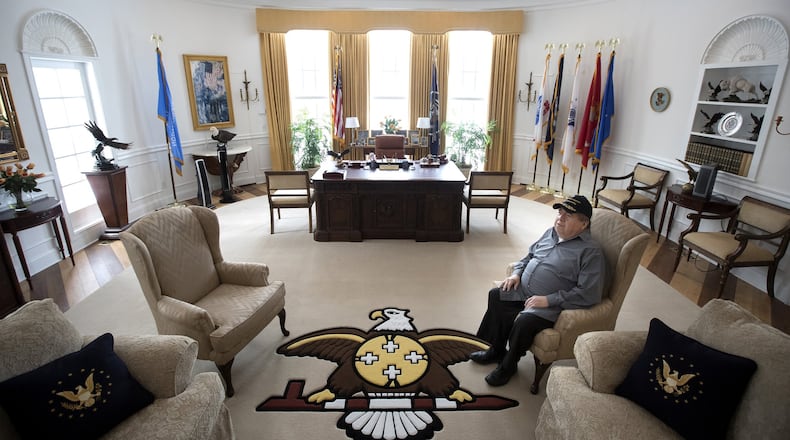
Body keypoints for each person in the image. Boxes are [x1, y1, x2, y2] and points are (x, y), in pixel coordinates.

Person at [471, 194, 606, 386]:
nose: (560, 217)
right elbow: (528, 257)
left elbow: (589, 293)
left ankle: (509, 365)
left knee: (524, 321)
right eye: (560, 212)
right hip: (522, 290)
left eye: (568, 215)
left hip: (549, 305)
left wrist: (549, 300)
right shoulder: (550, 233)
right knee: (496, 295)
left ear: (583, 224)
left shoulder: (590, 252)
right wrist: (516, 274)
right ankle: (497, 349)